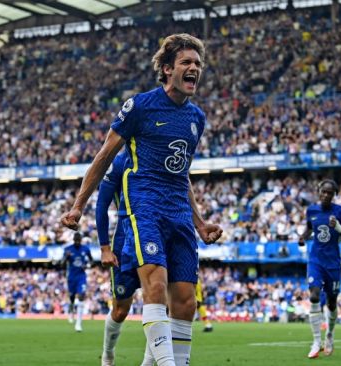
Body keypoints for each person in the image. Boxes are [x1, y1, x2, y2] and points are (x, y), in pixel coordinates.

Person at [61, 33, 222, 366]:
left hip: (178, 210)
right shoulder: (140, 106)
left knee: (185, 301)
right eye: (186, 63)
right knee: (155, 285)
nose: (194, 68)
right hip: (144, 206)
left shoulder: (197, 119)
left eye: (198, 64)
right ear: (166, 69)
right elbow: (104, 156)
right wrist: (78, 205)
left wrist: (200, 222)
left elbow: (183, 175)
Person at [97, 151, 154, 366]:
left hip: (156, 232)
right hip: (125, 238)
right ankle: (107, 355)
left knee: (158, 300)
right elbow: (102, 203)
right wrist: (104, 247)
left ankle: (148, 362)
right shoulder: (120, 162)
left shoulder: (157, 154)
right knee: (120, 310)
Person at [298, 179, 341, 359]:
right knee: (314, 296)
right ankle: (316, 341)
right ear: (319, 191)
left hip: (334, 264)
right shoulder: (312, 210)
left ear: (334, 195)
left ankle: (329, 334)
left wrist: (338, 226)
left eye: (330, 193)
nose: (326, 195)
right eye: (324, 192)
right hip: (316, 261)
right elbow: (309, 228)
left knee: (331, 302)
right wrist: (302, 236)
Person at [63, 232, 93, 332]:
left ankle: (78, 324)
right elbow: (61, 262)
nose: (77, 243)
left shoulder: (85, 249)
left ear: (80, 240)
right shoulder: (68, 249)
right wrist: (66, 257)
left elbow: (92, 260)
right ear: (73, 240)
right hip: (71, 277)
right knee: (71, 296)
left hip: (81, 276)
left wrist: (88, 265)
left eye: (78, 241)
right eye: (75, 241)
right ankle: (71, 310)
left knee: (81, 295)